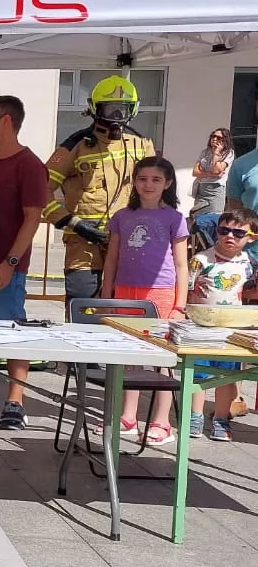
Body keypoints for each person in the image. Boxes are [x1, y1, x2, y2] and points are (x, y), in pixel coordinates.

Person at [0, 96, 49, 430]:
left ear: (6, 121)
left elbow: (32, 218)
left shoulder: (30, 165)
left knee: (10, 332)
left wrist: (11, 262)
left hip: (7, 265)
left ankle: (16, 401)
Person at [44, 75, 155, 302]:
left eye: (122, 109)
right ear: (95, 109)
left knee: (124, 305)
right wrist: (71, 222)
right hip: (82, 242)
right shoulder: (75, 146)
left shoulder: (141, 145)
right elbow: (39, 191)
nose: (116, 116)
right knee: (82, 303)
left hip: (127, 239)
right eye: (110, 109)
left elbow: (156, 192)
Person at [101, 157, 188, 447]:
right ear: (134, 182)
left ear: (168, 184)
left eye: (155, 180)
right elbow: (111, 259)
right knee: (128, 356)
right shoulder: (122, 217)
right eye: (142, 178)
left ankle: (162, 421)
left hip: (161, 293)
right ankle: (127, 415)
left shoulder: (175, 219)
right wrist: (106, 295)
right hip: (125, 292)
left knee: (162, 358)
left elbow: (181, 264)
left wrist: (179, 304)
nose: (148, 185)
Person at [186, 206, 258, 441]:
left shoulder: (249, 262)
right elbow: (186, 288)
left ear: (251, 238)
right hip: (201, 327)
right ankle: (194, 416)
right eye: (224, 230)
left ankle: (220, 418)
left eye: (238, 233)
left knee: (226, 377)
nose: (230, 236)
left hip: (232, 330)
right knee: (198, 375)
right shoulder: (200, 260)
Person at [191, 127, 233, 236]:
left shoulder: (228, 153)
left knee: (214, 220)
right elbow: (195, 172)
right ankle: (199, 245)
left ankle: (212, 244)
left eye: (218, 137)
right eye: (212, 136)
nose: (214, 139)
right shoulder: (204, 152)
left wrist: (216, 153)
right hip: (202, 189)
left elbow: (217, 169)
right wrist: (211, 174)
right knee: (198, 218)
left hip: (216, 190)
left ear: (225, 140)